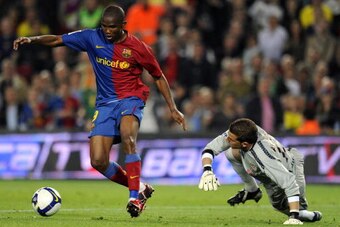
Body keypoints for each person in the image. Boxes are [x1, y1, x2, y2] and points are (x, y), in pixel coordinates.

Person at [13, 4, 186, 218]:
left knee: (128, 139)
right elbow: (58, 39)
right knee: (98, 161)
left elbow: (158, 76)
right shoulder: (91, 37)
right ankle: (140, 187)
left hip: (130, 99)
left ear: (123, 26)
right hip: (105, 104)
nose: (107, 31)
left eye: (112, 27)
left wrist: (173, 108)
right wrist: (32, 39)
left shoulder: (138, 48)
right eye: (104, 26)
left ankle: (134, 198)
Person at [198, 118, 322, 225]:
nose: (227, 141)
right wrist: (207, 170)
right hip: (271, 165)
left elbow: (288, 180)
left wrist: (294, 216)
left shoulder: (263, 155)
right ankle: (252, 190)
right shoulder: (244, 130)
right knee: (231, 153)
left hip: (290, 167)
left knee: (286, 206)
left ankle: (306, 214)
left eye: (231, 139)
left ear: (245, 144)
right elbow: (210, 148)